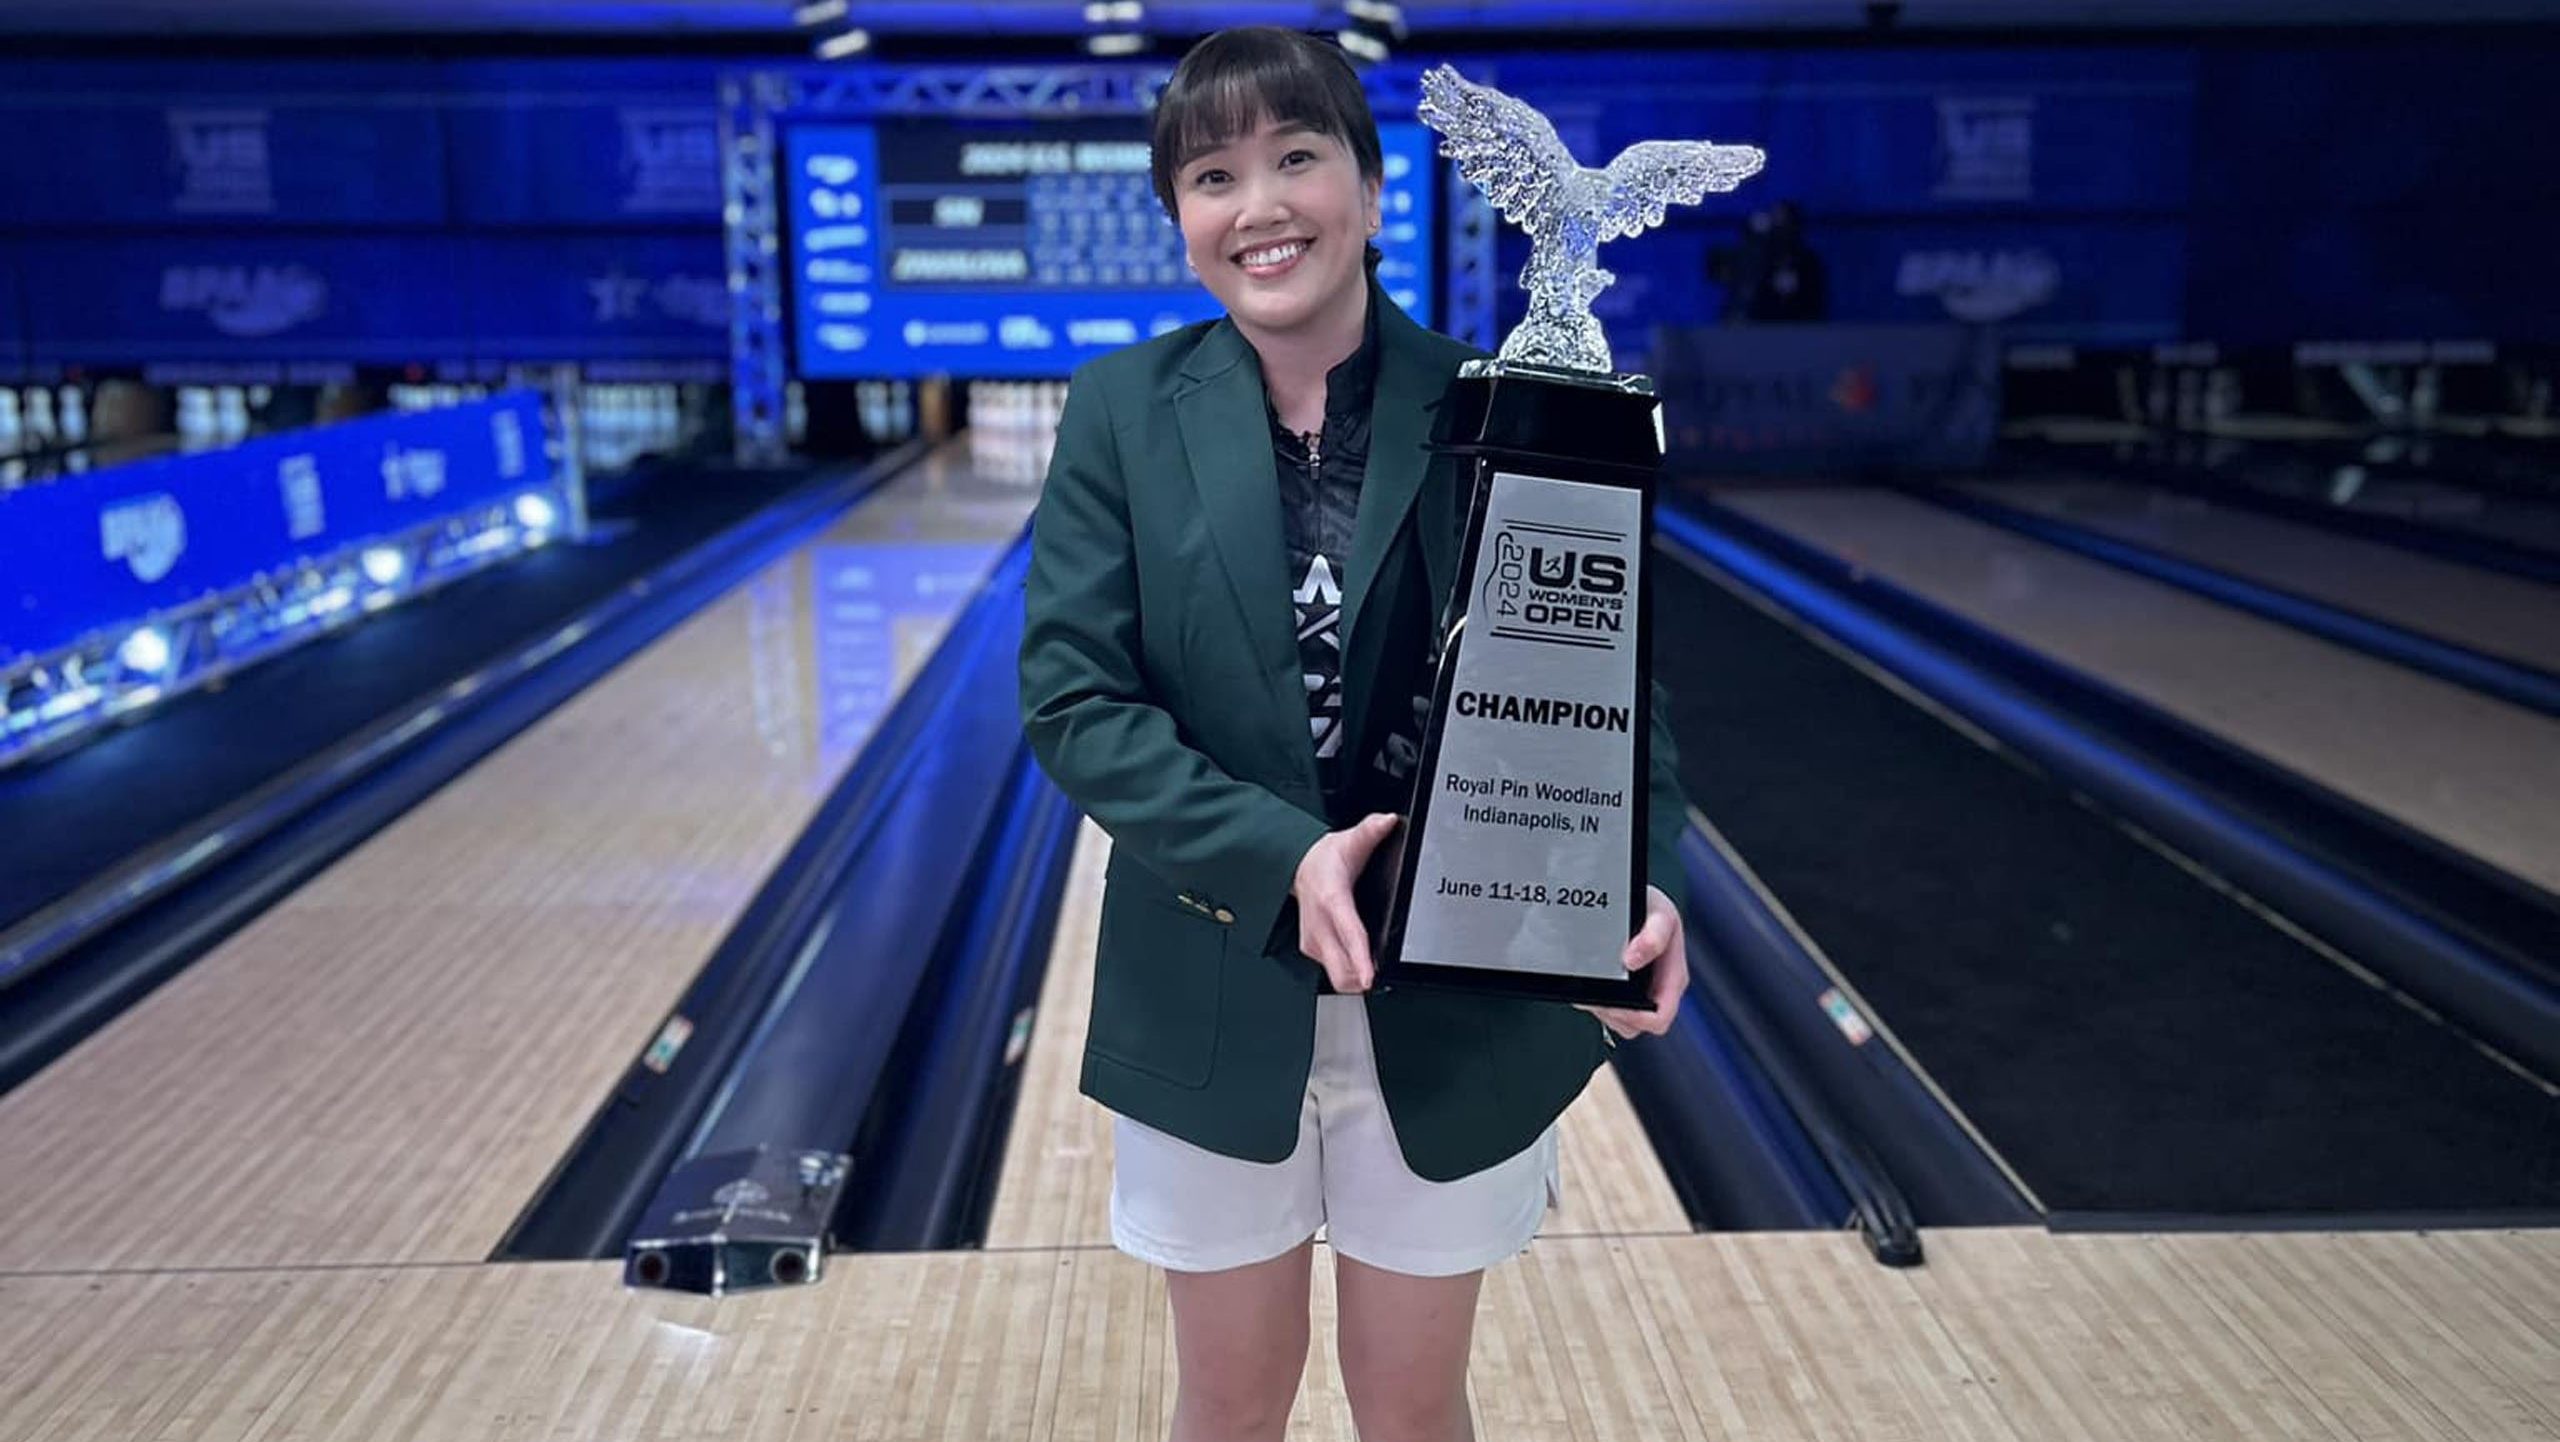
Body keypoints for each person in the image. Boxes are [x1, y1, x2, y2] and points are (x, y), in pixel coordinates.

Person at [1018, 27, 1692, 1442]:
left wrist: (1637, 885)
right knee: (1229, 1403)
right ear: (1182, 223)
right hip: (1213, 979)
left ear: (1374, 190)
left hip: (1452, 1005)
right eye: (1212, 175)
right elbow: (1076, 700)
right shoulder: (1122, 413)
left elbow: (1607, 688)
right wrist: (1284, 857)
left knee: (1411, 1404)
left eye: (1297, 156)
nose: (1258, 204)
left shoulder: (1496, 404)